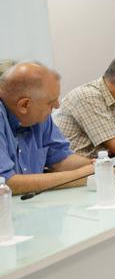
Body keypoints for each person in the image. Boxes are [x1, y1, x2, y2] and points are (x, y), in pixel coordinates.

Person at [0, 62, 94, 195]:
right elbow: (6, 184)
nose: (57, 106)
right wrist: (79, 176)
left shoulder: (37, 116)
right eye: (51, 102)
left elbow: (61, 159)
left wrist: (96, 165)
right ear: (24, 105)